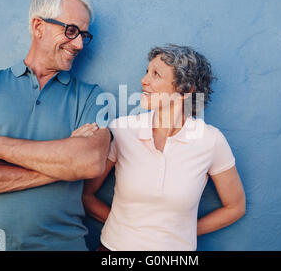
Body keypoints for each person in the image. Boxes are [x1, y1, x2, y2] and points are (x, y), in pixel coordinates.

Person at [0, 0, 111, 250]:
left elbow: (89, 162)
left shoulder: (92, 96)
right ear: (39, 26)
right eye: (71, 31)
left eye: (83, 35)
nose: (78, 44)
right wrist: (62, 167)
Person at [82, 44, 246, 251]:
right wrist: (128, 230)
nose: (144, 80)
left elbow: (235, 207)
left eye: (156, 74)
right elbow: (85, 194)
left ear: (186, 90)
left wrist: (180, 232)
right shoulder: (123, 130)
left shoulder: (210, 141)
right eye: (147, 71)